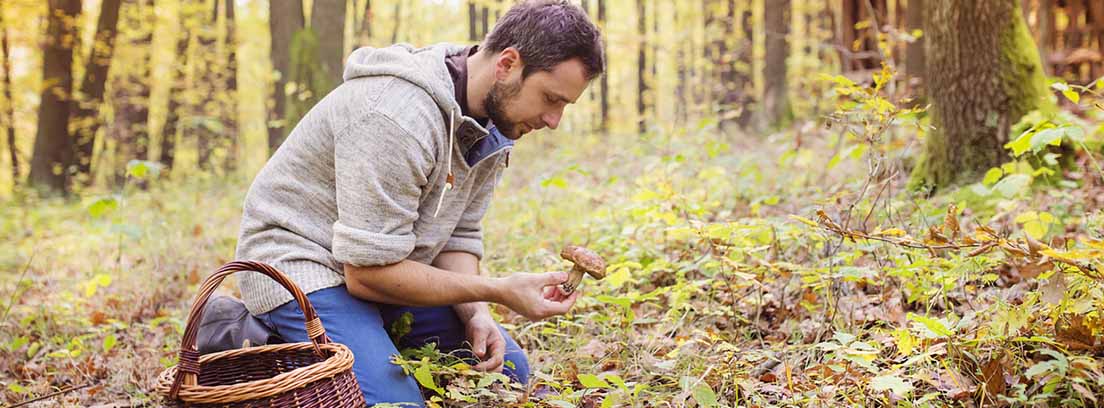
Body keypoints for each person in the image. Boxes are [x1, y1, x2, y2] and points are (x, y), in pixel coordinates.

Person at [217, 0, 605, 405]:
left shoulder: (496, 123)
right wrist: (497, 290)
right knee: (396, 403)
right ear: (508, 64)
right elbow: (367, 273)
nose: (554, 120)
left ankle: (364, 345)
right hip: (302, 268)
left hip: (384, 269)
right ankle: (266, 349)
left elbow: (459, 234)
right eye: (551, 98)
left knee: (507, 371)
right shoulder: (395, 116)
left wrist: (476, 313)